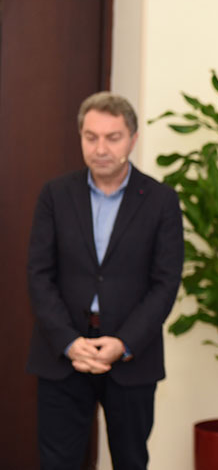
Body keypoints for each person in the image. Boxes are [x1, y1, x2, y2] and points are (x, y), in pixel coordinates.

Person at [27, 92, 184, 469]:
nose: (100, 149)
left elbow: (165, 283)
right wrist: (69, 342)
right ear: (80, 138)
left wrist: (124, 343)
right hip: (63, 355)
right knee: (57, 462)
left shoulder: (161, 200)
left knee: (131, 461)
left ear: (132, 139)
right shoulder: (55, 195)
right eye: (91, 137)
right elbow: (39, 275)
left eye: (112, 138)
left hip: (131, 357)